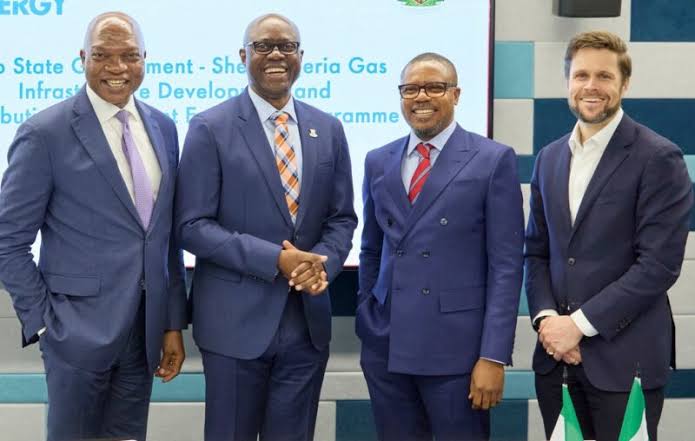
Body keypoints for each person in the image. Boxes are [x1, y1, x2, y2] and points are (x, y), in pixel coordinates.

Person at [0, 12, 187, 441]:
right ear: (83, 58)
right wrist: (45, 323)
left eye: (129, 56)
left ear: (145, 59)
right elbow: (7, 241)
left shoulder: (163, 127)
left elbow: (166, 238)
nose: (117, 67)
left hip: (144, 335)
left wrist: (171, 323)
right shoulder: (44, 133)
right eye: (102, 55)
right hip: (75, 336)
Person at [174, 13, 357, 441]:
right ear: (243, 56)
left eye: (286, 46)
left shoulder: (328, 128)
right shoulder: (210, 127)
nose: (276, 54)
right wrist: (275, 259)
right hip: (233, 324)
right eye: (263, 46)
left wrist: (320, 267)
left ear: (300, 56)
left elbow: (342, 218)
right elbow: (191, 226)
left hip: (306, 326)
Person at [525, 30, 694, 441]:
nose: (591, 86)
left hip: (625, 363)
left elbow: (658, 266)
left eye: (604, 76)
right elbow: (536, 253)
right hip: (557, 361)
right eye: (581, 75)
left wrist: (578, 326)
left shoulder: (659, 157)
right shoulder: (549, 158)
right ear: (567, 82)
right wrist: (548, 321)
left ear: (625, 83)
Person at [357, 52, 524, 441]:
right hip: (387, 345)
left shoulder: (492, 159)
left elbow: (506, 266)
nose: (421, 97)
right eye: (410, 89)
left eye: (434, 87)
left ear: (456, 94)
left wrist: (493, 355)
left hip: (458, 351)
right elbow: (370, 250)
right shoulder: (378, 160)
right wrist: (369, 312)